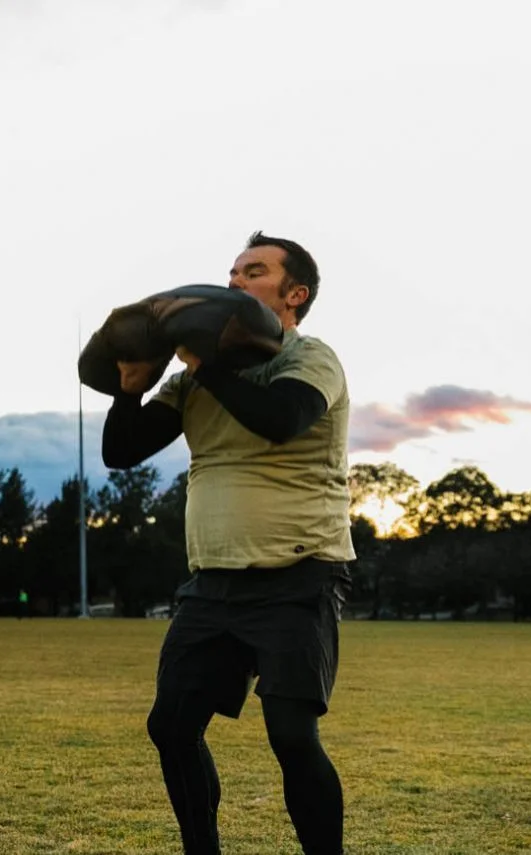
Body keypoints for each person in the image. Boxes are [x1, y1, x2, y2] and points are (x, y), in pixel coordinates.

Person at [104, 232, 352, 855]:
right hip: (212, 581)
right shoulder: (192, 383)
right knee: (172, 726)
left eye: (256, 271)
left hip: (298, 572)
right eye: (234, 271)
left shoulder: (311, 358)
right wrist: (131, 387)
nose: (237, 280)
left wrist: (206, 364)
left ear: (294, 294)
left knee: (292, 736)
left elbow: (277, 420)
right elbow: (120, 452)